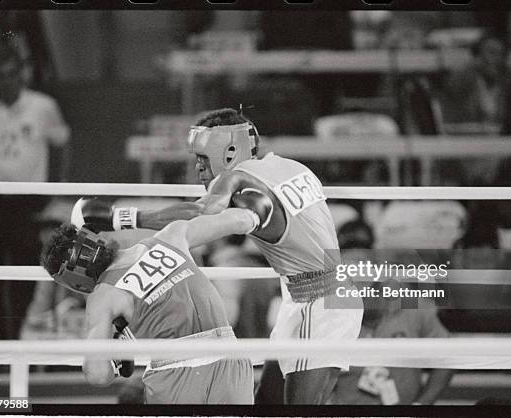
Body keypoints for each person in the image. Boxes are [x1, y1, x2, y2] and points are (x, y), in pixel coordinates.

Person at [72, 108, 364, 404]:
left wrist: (118, 217)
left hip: (318, 301)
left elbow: (201, 212)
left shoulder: (239, 179)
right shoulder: (289, 166)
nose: (198, 168)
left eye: (202, 159)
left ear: (229, 152)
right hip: (320, 294)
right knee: (266, 403)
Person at [41, 191, 273, 404]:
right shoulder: (172, 236)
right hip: (232, 362)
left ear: (73, 279)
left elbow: (97, 373)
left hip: (177, 375)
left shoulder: (104, 296)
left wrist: (115, 358)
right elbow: (242, 220)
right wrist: (255, 212)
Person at [0, 34, 70, 339]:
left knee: (24, 274)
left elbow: (62, 144)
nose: (7, 82)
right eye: (0, 76)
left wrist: (55, 187)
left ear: (21, 75)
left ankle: (16, 334)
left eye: (12, 74)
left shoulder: (43, 107)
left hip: (29, 201)